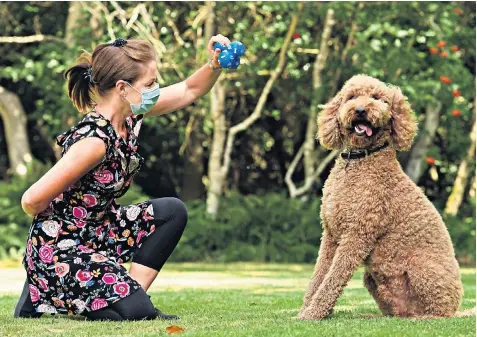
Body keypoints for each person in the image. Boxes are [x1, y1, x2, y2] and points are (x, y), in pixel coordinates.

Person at [14, 34, 230, 321]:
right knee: (138, 313)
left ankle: (128, 295)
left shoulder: (130, 115)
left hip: (99, 230)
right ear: (122, 88)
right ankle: (44, 283)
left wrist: (214, 65)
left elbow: (190, 89)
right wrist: (51, 239)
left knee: (171, 212)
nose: (156, 89)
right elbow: (31, 200)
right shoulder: (93, 142)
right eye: (150, 83)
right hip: (60, 247)